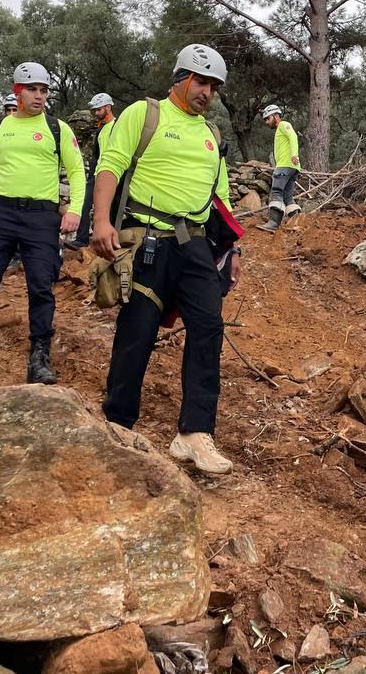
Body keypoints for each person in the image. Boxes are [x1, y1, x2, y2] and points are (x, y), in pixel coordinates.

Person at [92, 44, 239, 475]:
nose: (207, 92)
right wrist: (102, 221)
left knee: (209, 327)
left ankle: (194, 433)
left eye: (214, 86)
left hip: (194, 243)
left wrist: (232, 250)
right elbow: (111, 165)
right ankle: (119, 422)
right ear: (181, 78)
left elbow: (221, 196)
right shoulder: (145, 113)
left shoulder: (211, 135)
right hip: (146, 236)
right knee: (137, 329)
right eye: (201, 82)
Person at [0, 62, 85, 384]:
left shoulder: (58, 129)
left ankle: (39, 356)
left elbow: (78, 171)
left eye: (44, 90)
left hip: (41, 218)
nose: (39, 96)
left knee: (41, 286)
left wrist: (76, 209)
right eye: (32, 89)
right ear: (17, 91)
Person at [65, 92, 116, 250]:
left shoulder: (113, 127)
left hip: (103, 174)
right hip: (95, 173)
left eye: (98, 109)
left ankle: (108, 239)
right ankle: (82, 239)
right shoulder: (101, 127)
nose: (95, 113)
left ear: (108, 107)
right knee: (85, 205)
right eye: (94, 110)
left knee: (106, 207)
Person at [257, 103, 300, 232]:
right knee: (287, 196)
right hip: (292, 167)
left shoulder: (283, 125)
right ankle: (297, 221)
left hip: (284, 165)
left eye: (268, 118)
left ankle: (273, 223)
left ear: (276, 116)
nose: (266, 122)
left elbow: (293, 136)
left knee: (276, 191)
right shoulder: (280, 129)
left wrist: (294, 154)